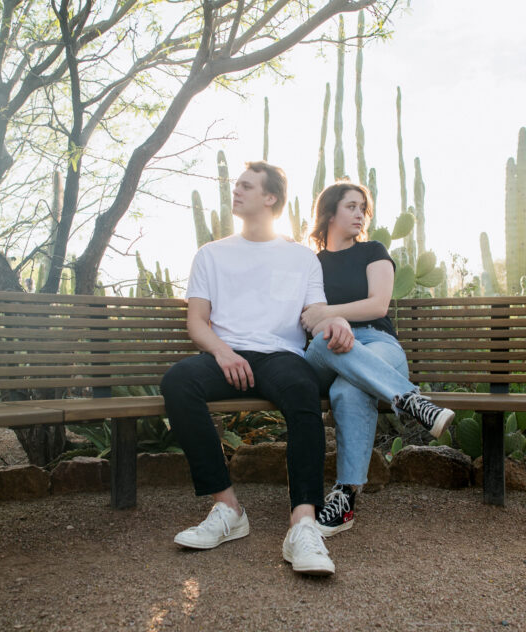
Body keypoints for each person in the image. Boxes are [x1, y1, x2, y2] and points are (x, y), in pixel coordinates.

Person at [161, 161, 355, 576]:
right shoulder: (211, 254)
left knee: (303, 391)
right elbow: (197, 321)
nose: (236, 191)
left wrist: (334, 321)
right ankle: (227, 509)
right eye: (237, 185)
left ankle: (304, 524)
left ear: (271, 198)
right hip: (225, 354)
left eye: (246, 186)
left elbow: (314, 313)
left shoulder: (302, 258)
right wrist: (223, 352)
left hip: (280, 357)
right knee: (178, 382)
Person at [301, 181, 455, 537]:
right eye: (351, 207)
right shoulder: (309, 264)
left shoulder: (373, 251)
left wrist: (330, 313)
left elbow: (377, 305)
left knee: (348, 392)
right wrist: (332, 323)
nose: (359, 214)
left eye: (362, 209)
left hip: (377, 342)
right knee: (326, 339)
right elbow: (307, 318)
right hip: (325, 351)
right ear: (329, 212)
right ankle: (411, 399)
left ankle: (345, 496)